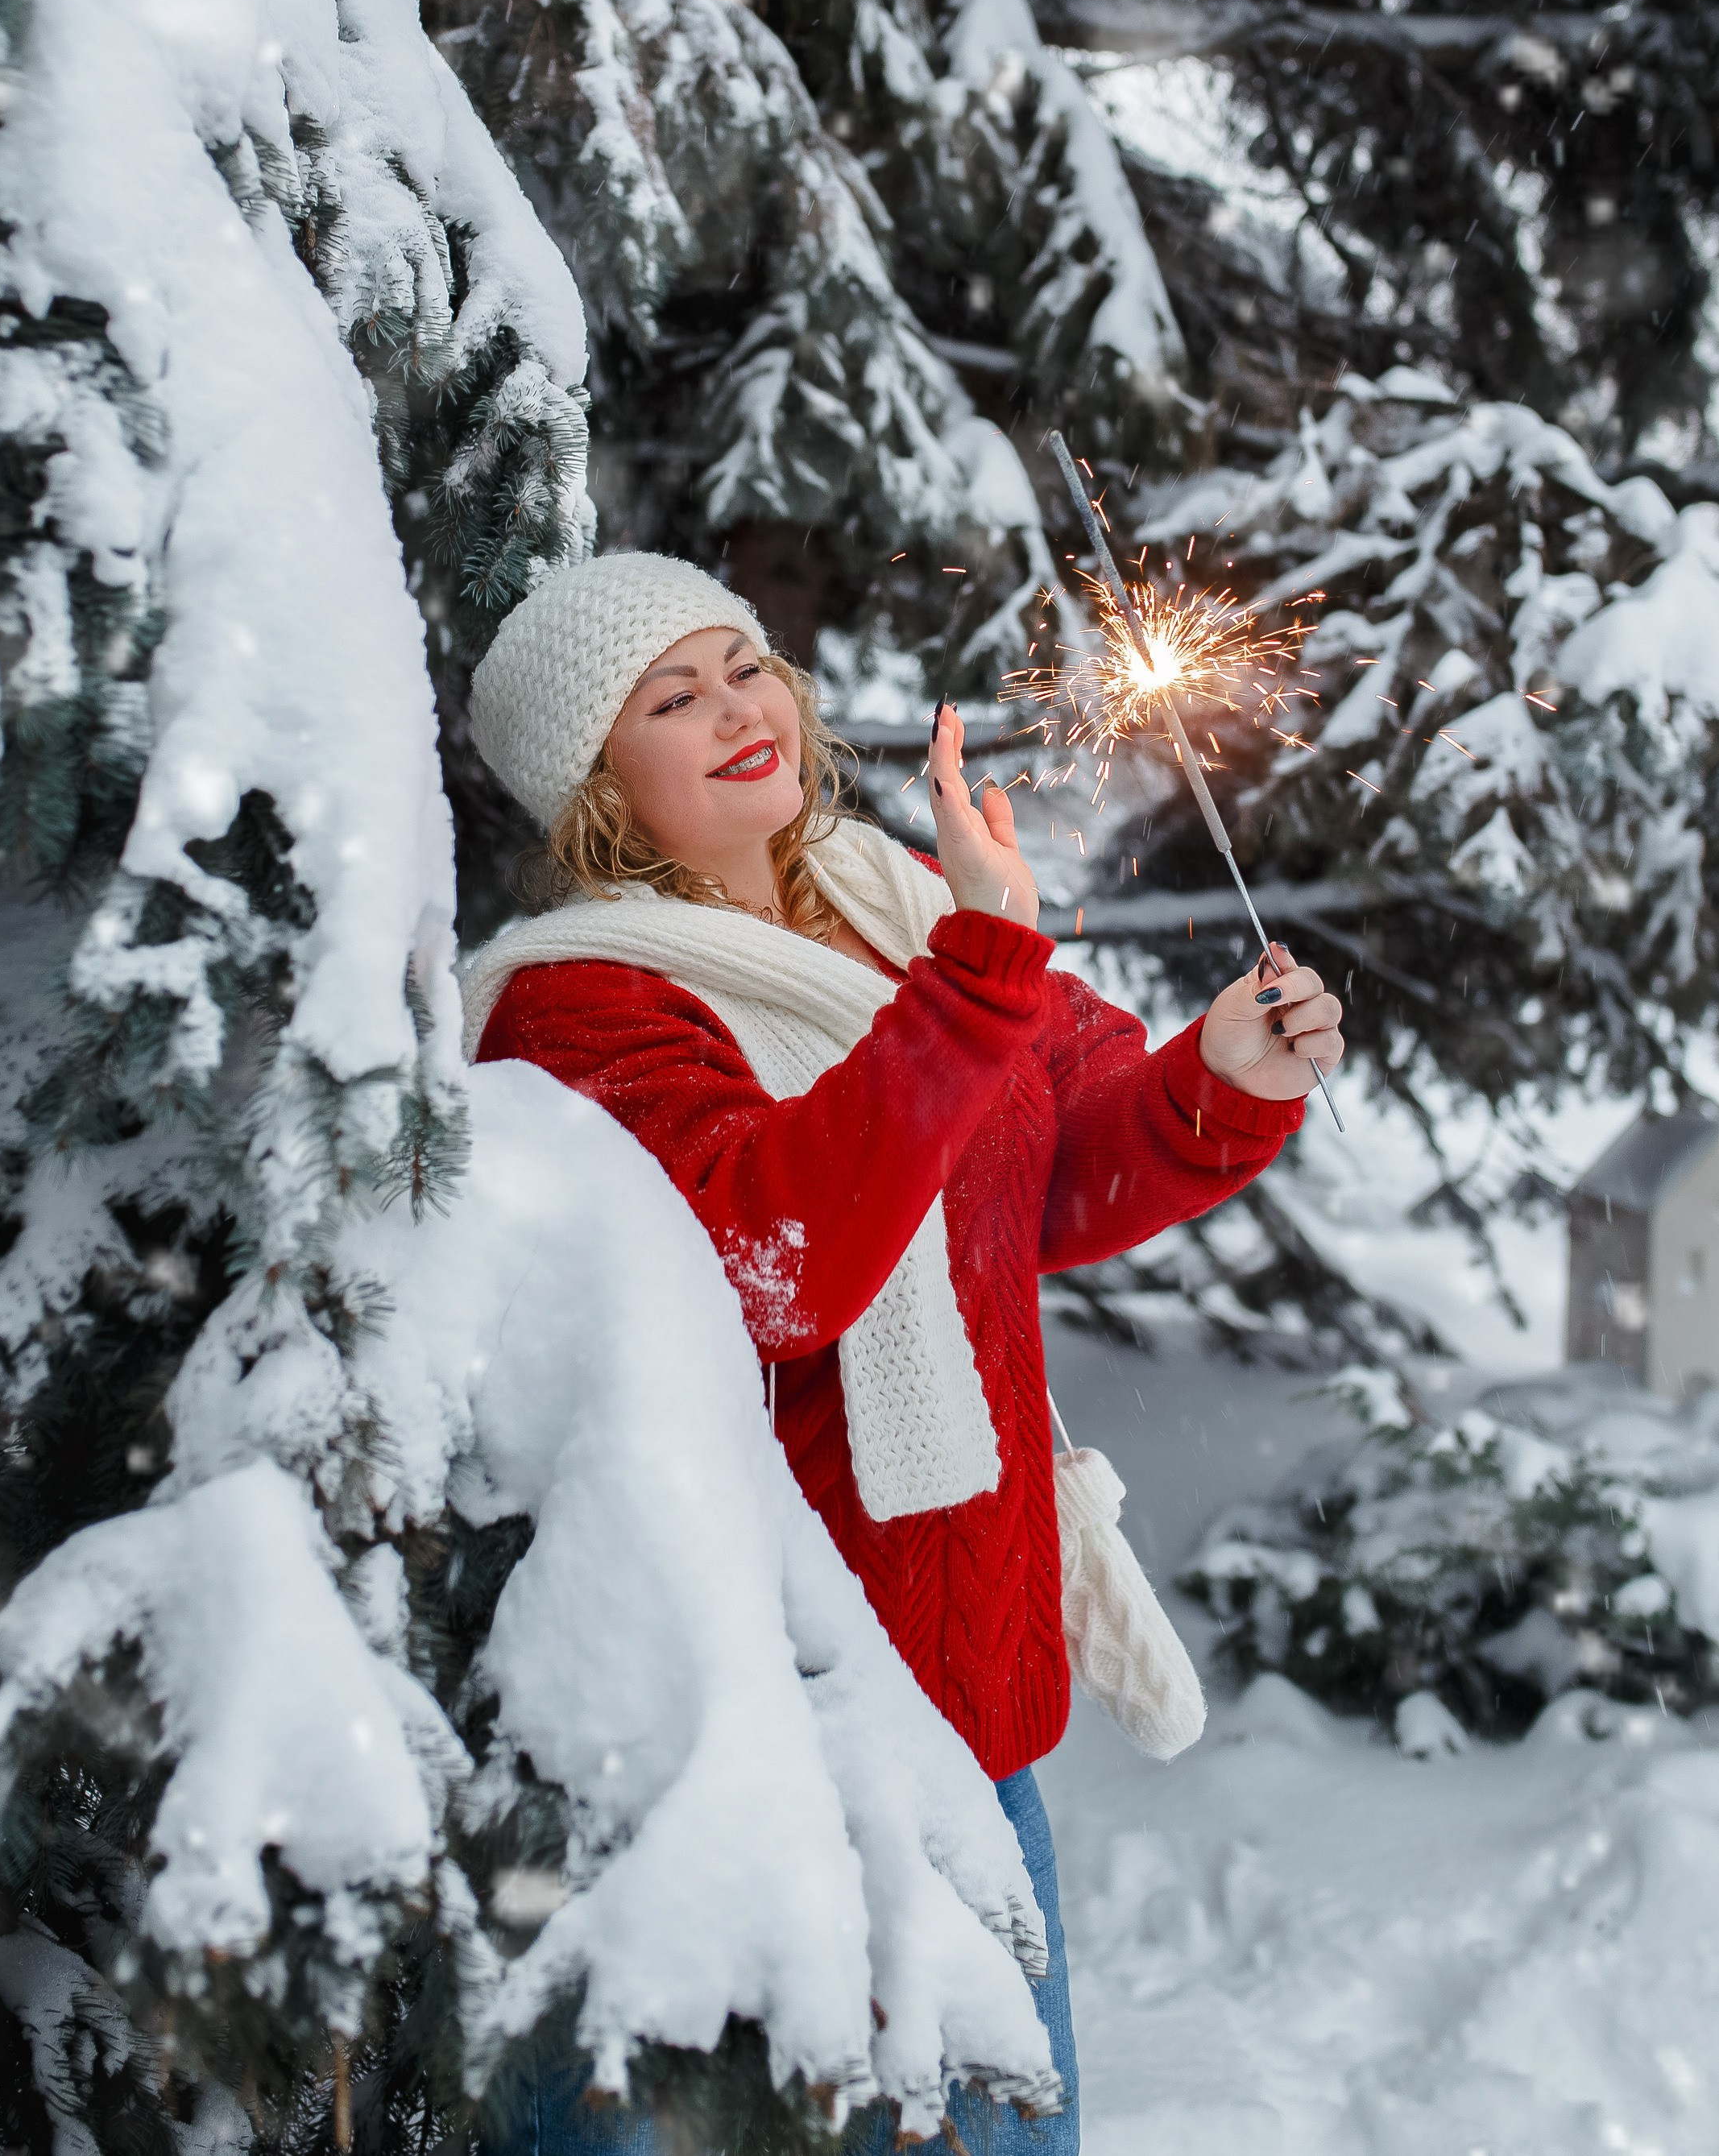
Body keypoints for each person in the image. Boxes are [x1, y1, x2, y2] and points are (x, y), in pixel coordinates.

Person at [462, 552, 1343, 2156]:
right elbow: (783, 1259)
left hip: (969, 1706)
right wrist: (977, 977)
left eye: (744, 665)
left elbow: (1042, 1170)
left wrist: (1217, 1073)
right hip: (779, 1737)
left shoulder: (887, 901)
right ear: (600, 784)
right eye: (673, 697)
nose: (738, 707)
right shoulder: (582, 1009)